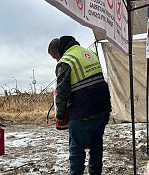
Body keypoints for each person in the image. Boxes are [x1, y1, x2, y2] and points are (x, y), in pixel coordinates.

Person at [48, 36, 112, 175]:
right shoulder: (88, 54)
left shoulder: (66, 61)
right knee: (96, 146)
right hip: (102, 109)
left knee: (76, 150)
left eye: (55, 57)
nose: (57, 60)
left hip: (82, 112)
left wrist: (60, 115)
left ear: (58, 51)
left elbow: (62, 91)